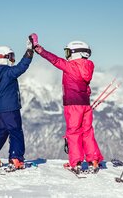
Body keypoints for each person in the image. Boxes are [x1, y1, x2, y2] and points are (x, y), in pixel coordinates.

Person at [29, 33, 103, 173]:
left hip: (72, 105)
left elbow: (55, 60)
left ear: (76, 53)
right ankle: (94, 160)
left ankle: (76, 163)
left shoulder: (71, 66)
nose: (67, 55)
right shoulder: (89, 65)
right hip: (85, 104)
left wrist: (39, 49)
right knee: (87, 132)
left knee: (73, 133)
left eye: (68, 52)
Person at [0, 43, 34, 170]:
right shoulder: (8, 72)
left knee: (1, 131)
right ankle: (16, 158)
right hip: (11, 109)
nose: (12, 60)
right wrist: (29, 53)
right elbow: (21, 67)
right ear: (2, 58)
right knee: (16, 132)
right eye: (11, 57)